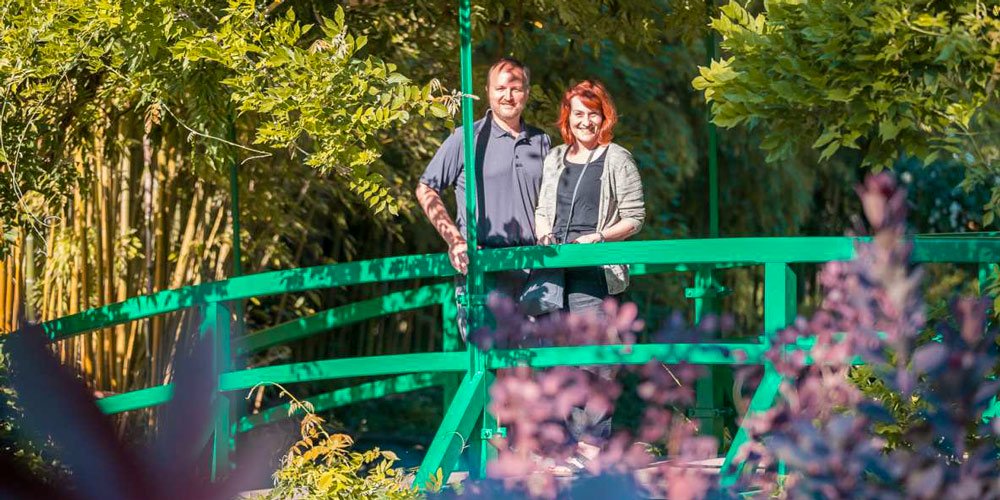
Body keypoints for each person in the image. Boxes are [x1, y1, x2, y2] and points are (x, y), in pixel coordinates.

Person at [416, 57, 551, 334]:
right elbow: (426, 188)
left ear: (527, 92)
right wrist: (455, 241)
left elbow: (551, 201)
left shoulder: (542, 141)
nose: (508, 96)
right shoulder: (467, 137)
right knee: (488, 363)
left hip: (534, 269)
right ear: (488, 91)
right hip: (483, 266)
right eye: (500, 88)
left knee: (538, 368)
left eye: (515, 88)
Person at [534, 80, 645, 315]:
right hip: (555, 271)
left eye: (593, 114)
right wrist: (544, 236)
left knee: (591, 349)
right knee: (553, 349)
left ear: (604, 117)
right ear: (568, 116)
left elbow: (635, 218)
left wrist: (599, 237)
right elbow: (542, 210)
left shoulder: (617, 158)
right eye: (578, 113)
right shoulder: (554, 157)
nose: (585, 122)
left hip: (595, 271)